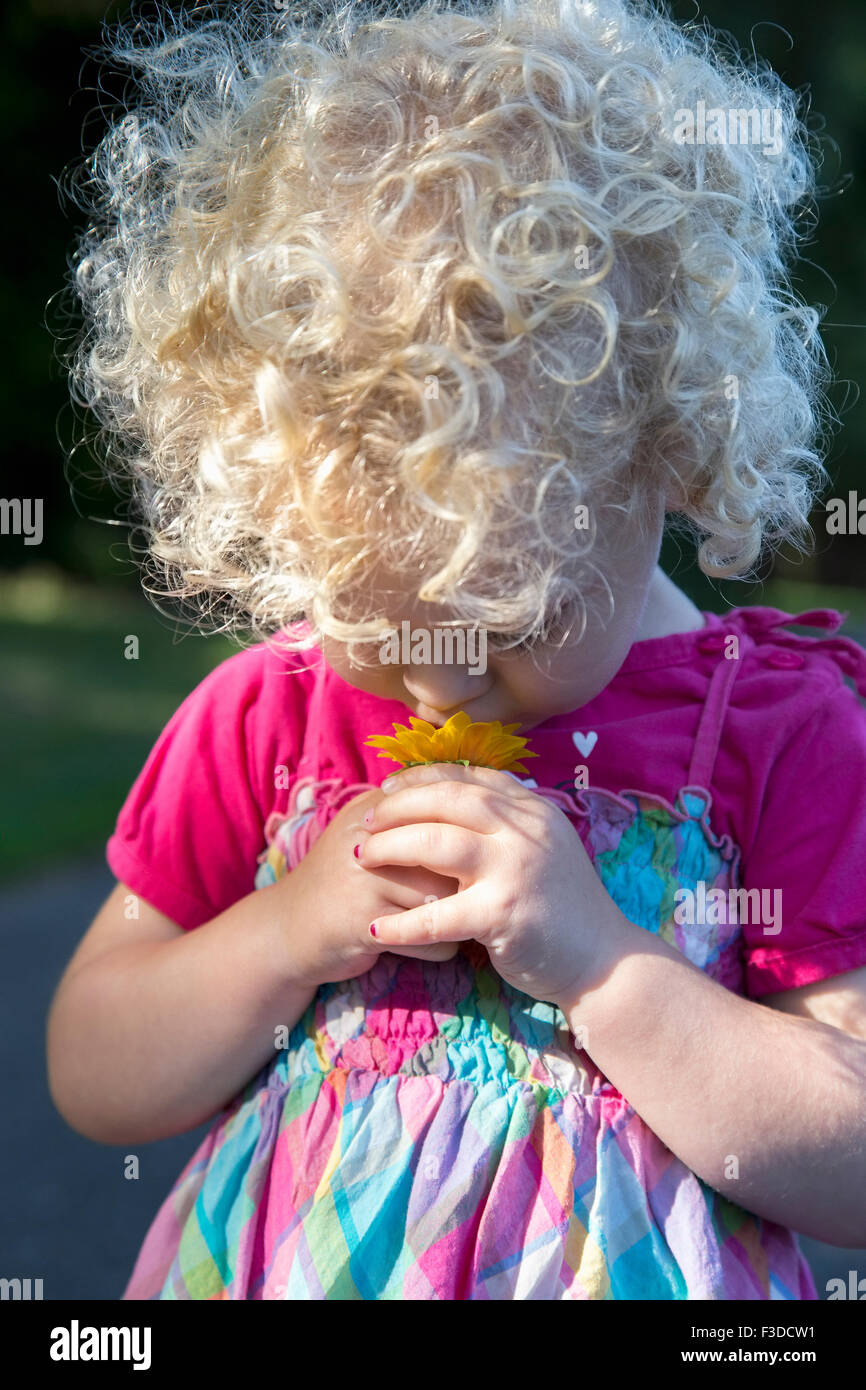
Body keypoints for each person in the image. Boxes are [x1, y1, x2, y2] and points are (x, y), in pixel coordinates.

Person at [47, 0, 866, 1299]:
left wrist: (603, 963)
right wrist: (282, 931)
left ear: (671, 450)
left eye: (510, 623)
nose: (436, 678)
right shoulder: (269, 715)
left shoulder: (775, 732)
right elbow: (95, 1068)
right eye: (370, 622)